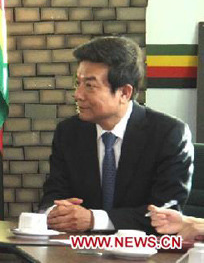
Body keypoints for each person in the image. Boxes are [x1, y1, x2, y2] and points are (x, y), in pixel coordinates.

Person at [39, 35, 193, 233]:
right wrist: (55, 212)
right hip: (78, 251)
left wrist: (94, 219)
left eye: (90, 85)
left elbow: (166, 211)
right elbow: (53, 193)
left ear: (124, 93)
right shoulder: (68, 132)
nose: (78, 94)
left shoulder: (169, 134)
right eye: (78, 83)